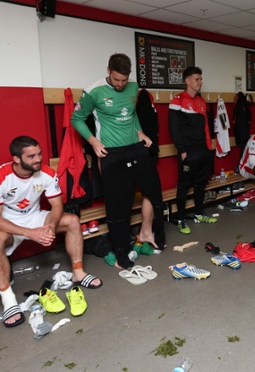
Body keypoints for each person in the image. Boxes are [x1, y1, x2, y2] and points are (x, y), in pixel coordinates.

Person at [0, 136, 102, 328]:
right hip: (6, 223)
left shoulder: (46, 172)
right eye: (31, 156)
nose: (38, 159)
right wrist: (30, 233)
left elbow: (57, 205)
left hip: (34, 216)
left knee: (72, 221)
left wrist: (49, 228)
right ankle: (9, 301)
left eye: (39, 154)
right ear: (16, 158)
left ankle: (78, 273)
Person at [71, 53, 165, 268]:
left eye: (124, 80)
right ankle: (121, 251)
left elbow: (132, 114)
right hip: (111, 153)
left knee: (155, 192)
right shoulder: (93, 91)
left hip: (135, 147)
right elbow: (76, 118)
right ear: (108, 71)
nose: (121, 84)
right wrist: (93, 141)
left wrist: (140, 132)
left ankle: (151, 235)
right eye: (116, 80)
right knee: (118, 205)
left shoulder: (133, 87)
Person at [169, 66, 217, 235]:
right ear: (188, 81)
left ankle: (198, 213)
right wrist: (182, 151)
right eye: (197, 79)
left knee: (200, 184)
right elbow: (174, 128)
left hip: (203, 150)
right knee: (184, 185)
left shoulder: (201, 101)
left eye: (201, 79)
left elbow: (205, 126)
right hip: (188, 152)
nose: (200, 82)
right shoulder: (178, 100)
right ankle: (181, 218)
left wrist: (208, 147)